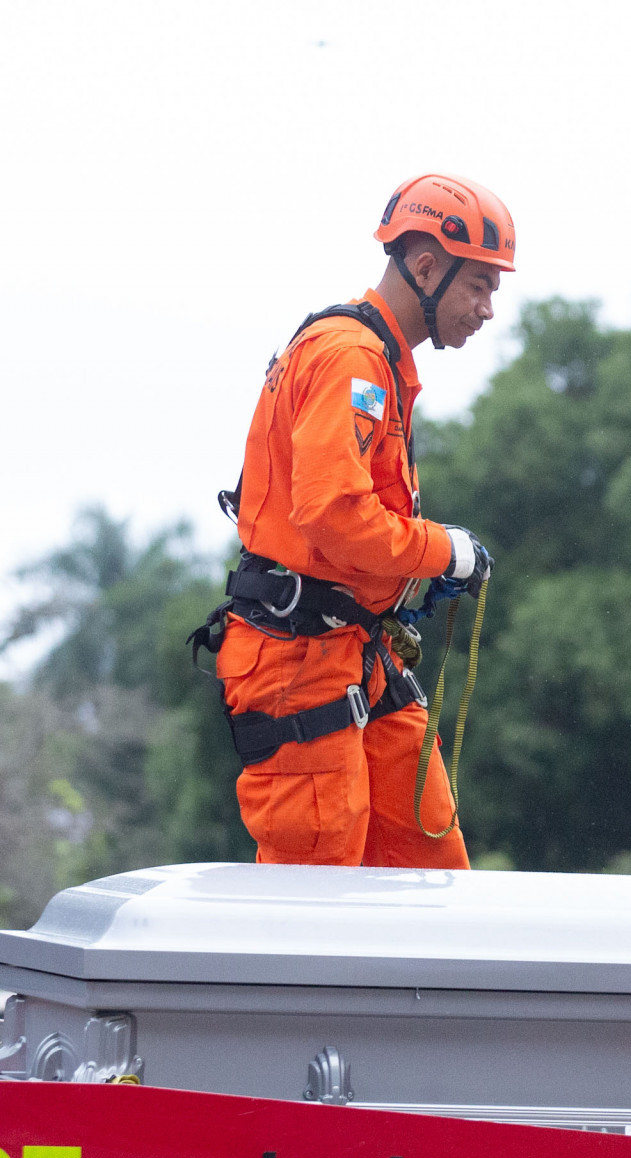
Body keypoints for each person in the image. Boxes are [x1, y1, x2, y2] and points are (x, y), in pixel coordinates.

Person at [194, 174, 514, 868]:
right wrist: (444, 552)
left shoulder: (377, 359)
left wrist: (406, 578)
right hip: (298, 661)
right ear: (425, 266)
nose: (488, 308)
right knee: (314, 902)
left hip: (357, 651)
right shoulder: (352, 356)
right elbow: (335, 516)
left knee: (431, 866)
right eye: (480, 286)